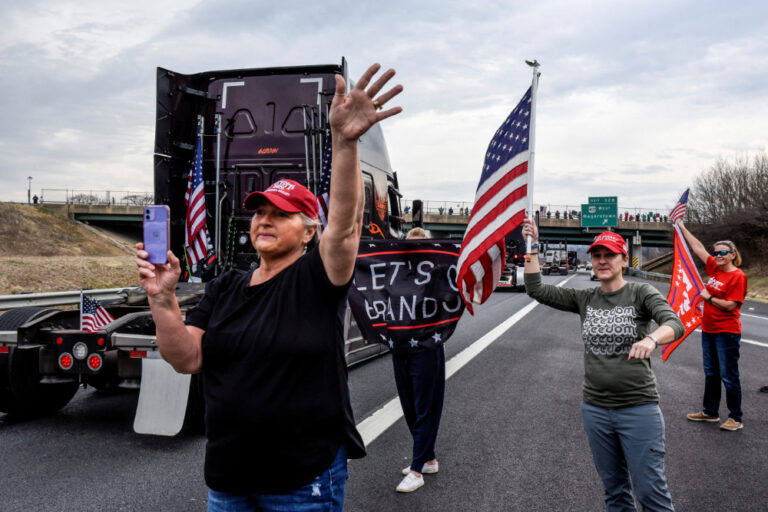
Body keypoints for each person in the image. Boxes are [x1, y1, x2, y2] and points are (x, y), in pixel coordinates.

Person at [136, 63, 402, 511]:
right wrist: (162, 300)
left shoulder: (316, 278)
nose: (265, 219)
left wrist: (345, 143)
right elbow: (187, 359)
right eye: (259, 211)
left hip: (301, 480)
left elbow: (345, 228)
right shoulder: (225, 288)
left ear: (307, 231)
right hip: (228, 481)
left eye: (282, 213)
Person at [522, 219, 684, 511]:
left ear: (624, 259)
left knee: (651, 494)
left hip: (638, 408)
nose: (602, 261)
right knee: (615, 492)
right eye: (597, 256)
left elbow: (674, 323)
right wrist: (532, 246)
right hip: (596, 409)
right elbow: (536, 290)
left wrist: (651, 339)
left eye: (609, 255)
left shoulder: (641, 293)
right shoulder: (586, 298)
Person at [677, 222, 748, 431]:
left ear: (733, 254)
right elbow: (698, 247)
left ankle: (736, 417)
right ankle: (710, 412)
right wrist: (681, 226)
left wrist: (708, 297)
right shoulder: (715, 268)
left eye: (723, 252)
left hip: (726, 333)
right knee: (711, 373)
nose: (718, 255)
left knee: (729, 375)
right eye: (716, 252)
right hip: (708, 330)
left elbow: (730, 305)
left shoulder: (738, 276)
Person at [393, 225, 444, 493]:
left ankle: (416, 470)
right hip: (400, 347)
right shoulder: (395, 275)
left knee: (425, 407)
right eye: (408, 246)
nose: (413, 251)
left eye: (418, 247)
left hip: (426, 347)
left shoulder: (437, 274)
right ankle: (429, 459)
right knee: (409, 407)